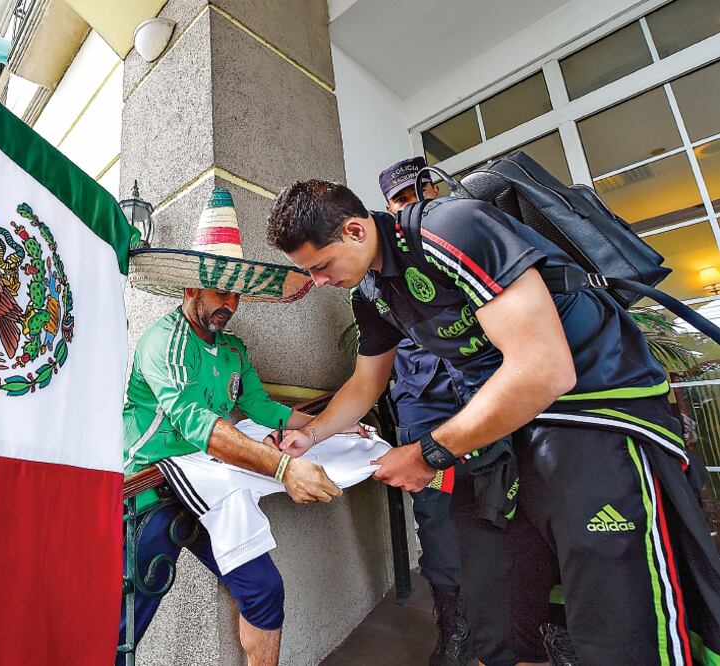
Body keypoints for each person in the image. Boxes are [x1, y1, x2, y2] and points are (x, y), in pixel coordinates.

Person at [266, 178, 720, 665]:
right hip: (502, 433)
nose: (318, 282)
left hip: (592, 412)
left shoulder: (450, 227)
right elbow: (365, 383)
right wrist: (309, 434)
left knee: (618, 616)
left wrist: (426, 454)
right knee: (495, 606)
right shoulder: (371, 293)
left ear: (355, 231)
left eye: (321, 266)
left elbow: (544, 370)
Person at [119, 187, 348, 666]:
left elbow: (262, 407)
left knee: (263, 590)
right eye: (220, 291)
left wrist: (333, 429)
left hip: (210, 484)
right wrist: (283, 468)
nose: (231, 303)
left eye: (236, 292)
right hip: (150, 489)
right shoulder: (162, 342)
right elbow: (197, 423)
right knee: (127, 618)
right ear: (191, 289)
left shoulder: (234, 349)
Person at [381, 158, 472, 666]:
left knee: (519, 494)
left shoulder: (460, 234)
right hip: (423, 401)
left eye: (418, 193)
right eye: (399, 201)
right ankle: (455, 624)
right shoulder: (384, 269)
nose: (411, 206)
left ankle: (535, 616)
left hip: (482, 387)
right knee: (436, 510)